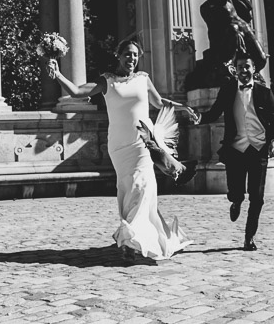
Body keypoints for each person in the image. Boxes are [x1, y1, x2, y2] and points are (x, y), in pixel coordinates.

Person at [49, 39, 199, 262]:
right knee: (129, 189)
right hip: (119, 146)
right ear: (118, 55)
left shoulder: (143, 78)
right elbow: (79, 92)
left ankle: (131, 241)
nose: (132, 59)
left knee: (144, 186)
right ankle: (134, 237)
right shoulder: (107, 81)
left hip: (143, 141)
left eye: (136, 55)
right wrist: (58, 74)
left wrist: (183, 107)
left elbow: (159, 103)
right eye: (128, 54)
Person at [199, 55, 274, 251]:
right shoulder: (227, 90)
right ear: (234, 70)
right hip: (235, 150)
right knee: (236, 192)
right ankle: (236, 202)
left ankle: (249, 237)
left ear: (254, 69)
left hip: (258, 149)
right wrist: (198, 118)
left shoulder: (264, 92)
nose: (243, 71)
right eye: (239, 67)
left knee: (257, 197)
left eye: (247, 67)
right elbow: (214, 112)